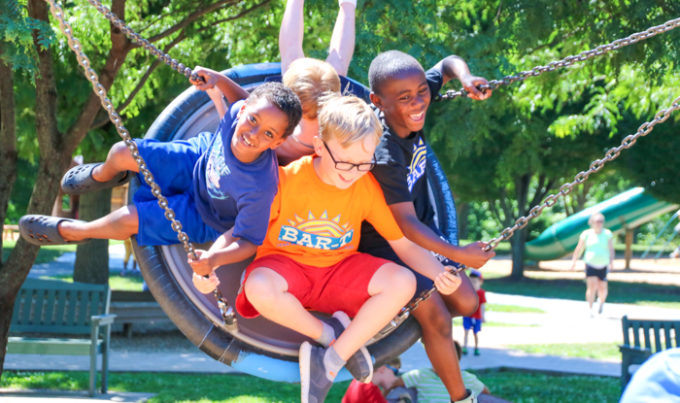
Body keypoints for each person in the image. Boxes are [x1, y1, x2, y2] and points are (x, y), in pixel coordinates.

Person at [193, 95, 463, 403]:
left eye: (364, 164)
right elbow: (240, 232)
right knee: (257, 287)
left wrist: (438, 271)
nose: (352, 172)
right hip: (285, 268)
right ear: (320, 146)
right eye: (345, 162)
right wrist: (210, 261)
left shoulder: (365, 187)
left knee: (404, 281)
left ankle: (332, 360)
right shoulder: (285, 181)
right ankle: (329, 335)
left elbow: (402, 243)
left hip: (337, 271)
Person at [19, 76, 302, 287]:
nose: (253, 134)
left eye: (267, 134)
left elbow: (250, 240)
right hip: (197, 161)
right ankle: (105, 175)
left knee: (129, 218)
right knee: (121, 151)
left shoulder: (260, 187)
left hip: (206, 214)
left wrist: (214, 259)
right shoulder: (237, 110)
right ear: (242, 110)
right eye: (252, 120)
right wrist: (217, 79)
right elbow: (236, 95)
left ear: (278, 142)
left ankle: (77, 231)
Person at [358, 49, 495, 402]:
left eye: (422, 92)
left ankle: (410, 310)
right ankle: (461, 397)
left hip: (421, 234)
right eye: (405, 98)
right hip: (389, 246)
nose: (418, 102)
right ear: (378, 101)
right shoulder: (385, 149)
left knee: (466, 303)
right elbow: (403, 224)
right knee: (439, 320)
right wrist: (458, 254)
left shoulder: (412, 91)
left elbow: (449, 62)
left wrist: (466, 80)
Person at [275, 0, 356, 165]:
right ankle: (348, 5)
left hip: (287, 170)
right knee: (338, 68)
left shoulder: (278, 130)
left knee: (291, 59)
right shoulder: (338, 131)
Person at [344, 348, 512, 403]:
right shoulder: (421, 374)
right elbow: (397, 384)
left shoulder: (467, 377)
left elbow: (485, 393)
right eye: (395, 371)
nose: (396, 376)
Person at [570, 212, 614, 316]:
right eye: (597, 221)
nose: (599, 223)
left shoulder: (607, 233)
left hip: (603, 264)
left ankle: (601, 302)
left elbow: (611, 249)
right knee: (591, 286)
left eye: (601, 221)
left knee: (602, 287)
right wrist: (574, 261)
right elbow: (579, 248)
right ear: (592, 222)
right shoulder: (586, 233)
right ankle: (590, 308)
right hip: (590, 263)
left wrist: (612, 262)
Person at [462, 270, 486, 356]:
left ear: (480, 282)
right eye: (471, 281)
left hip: (477, 316)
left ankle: (476, 347)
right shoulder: (468, 291)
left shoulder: (481, 293)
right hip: (468, 315)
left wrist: (483, 316)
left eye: (475, 281)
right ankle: (464, 346)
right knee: (466, 331)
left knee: (475, 333)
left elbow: (483, 305)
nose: (473, 283)